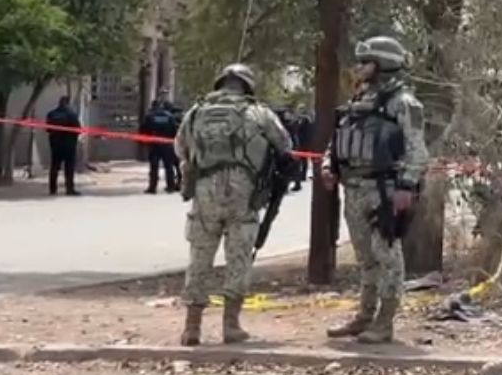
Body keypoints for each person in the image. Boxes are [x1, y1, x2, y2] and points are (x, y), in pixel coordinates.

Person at [174, 63, 292, 346]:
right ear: (247, 85)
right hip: (243, 192)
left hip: (204, 190)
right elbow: (284, 144)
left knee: (200, 257)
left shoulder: (196, 112)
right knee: (238, 257)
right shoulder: (259, 112)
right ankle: (231, 325)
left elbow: (181, 148)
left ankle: (192, 327)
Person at [321, 36, 429, 344]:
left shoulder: (404, 103)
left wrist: (407, 185)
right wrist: (330, 166)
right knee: (365, 257)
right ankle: (364, 315)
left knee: (387, 255)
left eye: (366, 61)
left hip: (384, 190)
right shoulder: (360, 99)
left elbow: (417, 150)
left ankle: (385, 321)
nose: (360, 67)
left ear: (382, 64)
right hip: (354, 188)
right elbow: (339, 137)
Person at [140, 100, 179, 194]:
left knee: (154, 167)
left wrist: (144, 142)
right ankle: (171, 186)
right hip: (167, 144)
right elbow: (175, 130)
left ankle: (152, 187)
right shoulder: (169, 116)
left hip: (154, 145)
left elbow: (143, 130)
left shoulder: (149, 116)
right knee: (168, 166)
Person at [46, 95, 82, 196]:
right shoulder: (71, 114)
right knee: (69, 168)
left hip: (55, 145)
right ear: (67, 103)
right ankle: (69, 189)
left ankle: (52, 189)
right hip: (69, 145)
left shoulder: (51, 114)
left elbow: (48, 129)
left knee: (54, 167)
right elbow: (78, 129)